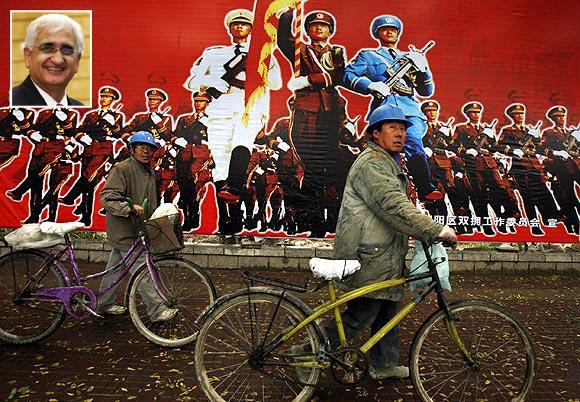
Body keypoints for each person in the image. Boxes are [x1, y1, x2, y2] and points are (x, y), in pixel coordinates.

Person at [324, 104, 457, 380]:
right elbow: (392, 205)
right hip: (367, 255)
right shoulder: (372, 164)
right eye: (392, 128)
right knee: (362, 314)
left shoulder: (387, 162)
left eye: (403, 129)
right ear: (375, 133)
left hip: (382, 252)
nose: (400, 134)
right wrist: (433, 230)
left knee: (388, 305)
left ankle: (383, 363)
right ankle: (308, 352)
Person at [183, 8, 282, 234]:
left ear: (251, 29)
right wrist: (210, 82)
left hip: (249, 108)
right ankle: (229, 220)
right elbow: (191, 81)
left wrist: (261, 62)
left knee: (242, 143)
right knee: (221, 165)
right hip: (220, 111)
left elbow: (275, 83)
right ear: (229, 28)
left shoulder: (263, 52)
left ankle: (234, 188)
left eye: (245, 24)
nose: (240, 27)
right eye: (235, 24)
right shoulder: (214, 53)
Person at [344, 15, 442, 203]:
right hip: (385, 110)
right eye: (384, 29)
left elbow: (426, 91)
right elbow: (348, 75)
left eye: (393, 29)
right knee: (390, 151)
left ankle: (425, 188)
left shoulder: (410, 57)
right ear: (377, 34)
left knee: (413, 141)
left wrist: (424, 68)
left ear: (398, 34)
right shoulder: (368, 55)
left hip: (411, 110)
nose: (389, 32)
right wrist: (370, 85)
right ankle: (391, 194)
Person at [277, 8, 349, 237]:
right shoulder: (301, 50)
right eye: (314, 25)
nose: (319, 28)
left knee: (334, 165)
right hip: (306, 110)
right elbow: (282, 40)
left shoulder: (337, 51)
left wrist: (308, 80)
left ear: (330, 31)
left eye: (324, 26)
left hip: (331, 111)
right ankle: (312, 218)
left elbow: (338, 76)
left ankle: (335, 217)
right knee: (310, 165)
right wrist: (288, 12)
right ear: (307, 30)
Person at [97, 131, 177, 321]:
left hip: (137, 229)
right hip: (124, 229)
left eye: (149, 148)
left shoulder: (148, 171)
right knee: (142, 270)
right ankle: (156, 310)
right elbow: (107, 197)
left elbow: (149, 203)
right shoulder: (122, 169)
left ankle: (102, 304)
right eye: (141, 147)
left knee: (115, 269)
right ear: (132, 149)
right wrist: (129, 207)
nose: (146, 151)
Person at [60, 86, 125, 226]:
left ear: (113, 100)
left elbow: (119, 133)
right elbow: (79, 130)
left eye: (107, 97)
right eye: (102, 96)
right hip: (89, 149)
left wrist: (113, 124)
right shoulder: (91, 115)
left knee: (88, 179)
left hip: (103, 150)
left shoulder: (116, 116)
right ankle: (83, 210)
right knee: (89, 183)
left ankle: (74, 202)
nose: (104, 99)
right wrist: (81, 137)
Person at [497, 103, 559, 236]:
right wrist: (513, 151)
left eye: (522, 113)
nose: (520, 116)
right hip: (520, 168)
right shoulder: (508, 131)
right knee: (528, 198)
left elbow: (539, 148)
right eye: (517, 114)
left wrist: (537, 140)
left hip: (535, 166)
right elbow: (499, 146)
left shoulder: (529, 130)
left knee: (543, 194)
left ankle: (549, 220)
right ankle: (534, 226)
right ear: (512, 116)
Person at [12, 13, 85, 107]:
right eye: (47, 48)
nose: (58, 60)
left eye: (67, 50)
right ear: (28, 56)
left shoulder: (82, 113)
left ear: (77, 61)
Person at [540, 106, 579, 234]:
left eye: (563, 116)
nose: (561, 118)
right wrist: (555, 153)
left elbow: (576, 151)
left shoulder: (569, 133)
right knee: (569, 197)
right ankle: (575, 224)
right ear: (553, 118)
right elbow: (541, 149)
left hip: (574, 167)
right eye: (558, 116)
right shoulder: (549, 133)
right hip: (561, 169)